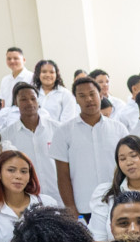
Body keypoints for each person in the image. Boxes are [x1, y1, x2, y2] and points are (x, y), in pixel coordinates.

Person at [53, 77, 127, 219]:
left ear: (101, 95)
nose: (88, 99)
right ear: (76, 99)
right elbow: (62, 175)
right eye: (82, 95)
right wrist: (71, 208)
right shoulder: (63, 132)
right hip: (83, 206)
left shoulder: (119, 129)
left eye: (92, 94)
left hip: (117, 202)